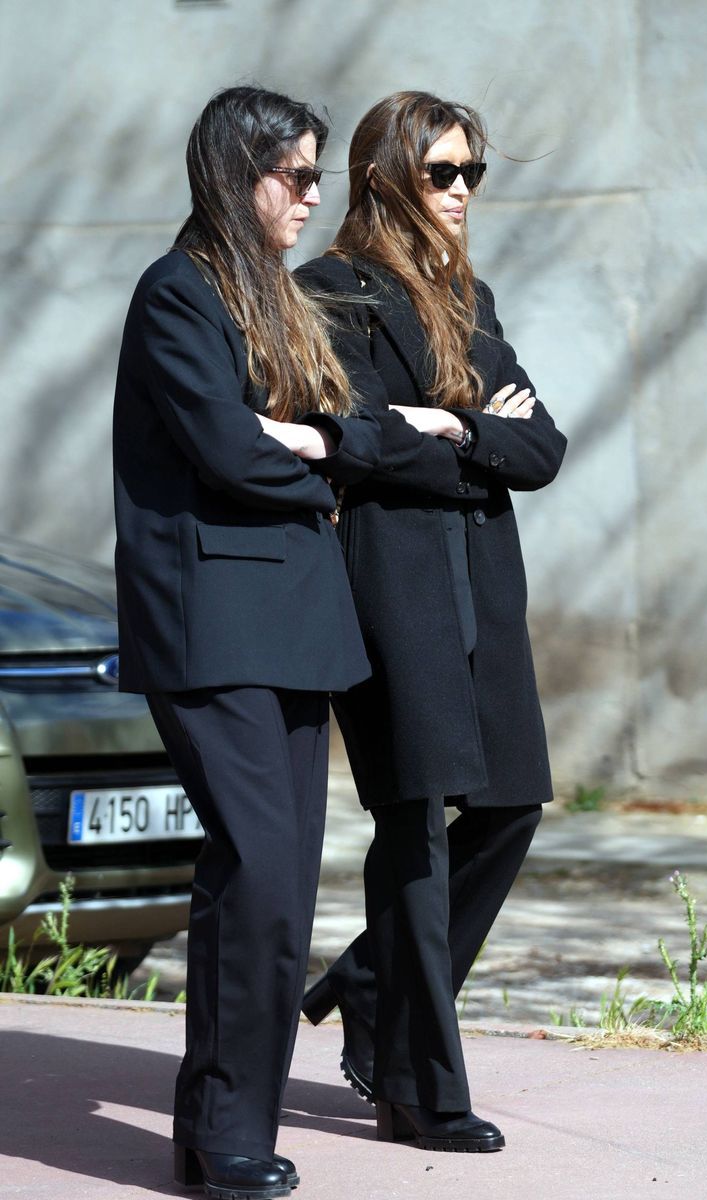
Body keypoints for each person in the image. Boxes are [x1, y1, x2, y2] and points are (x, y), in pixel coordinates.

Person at [113, 86, 380, 1199]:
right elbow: (228, 451)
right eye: (296, 176)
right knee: (260, 875)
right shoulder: (178, 292)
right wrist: (316, 450)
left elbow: (348, 432)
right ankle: (223, 1134)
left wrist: (312, 437)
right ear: (236, 173)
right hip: (211, 626)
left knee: (273, 886)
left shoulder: (278, 299)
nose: (314, 197)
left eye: (319, 175)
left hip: (298, 627)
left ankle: (226, 1124)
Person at [296, 91, 568, 1154]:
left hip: (483, 586)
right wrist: (469, 437)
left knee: (510, 805)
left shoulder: (473, 299)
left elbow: (539, 450)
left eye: (472, 175)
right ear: (382, 179)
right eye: (441, 173)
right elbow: (355, 441)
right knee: (410, 819)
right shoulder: (325, 296)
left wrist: (447, 426)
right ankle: (418, 1084)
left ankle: (369, 987)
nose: (461, 193)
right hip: (389, 589)